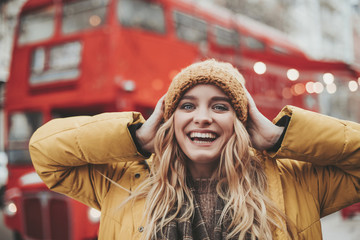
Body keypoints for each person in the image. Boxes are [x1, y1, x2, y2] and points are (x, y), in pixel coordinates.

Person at [29, 59, 360, 240]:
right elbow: (45, 152)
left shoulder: (295, 182)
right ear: (169, 119)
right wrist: (138, 139)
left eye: (220, 107)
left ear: (242, 120)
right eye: (187, 106)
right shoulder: (124, 183)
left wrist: (277, 138)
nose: (202, 118)